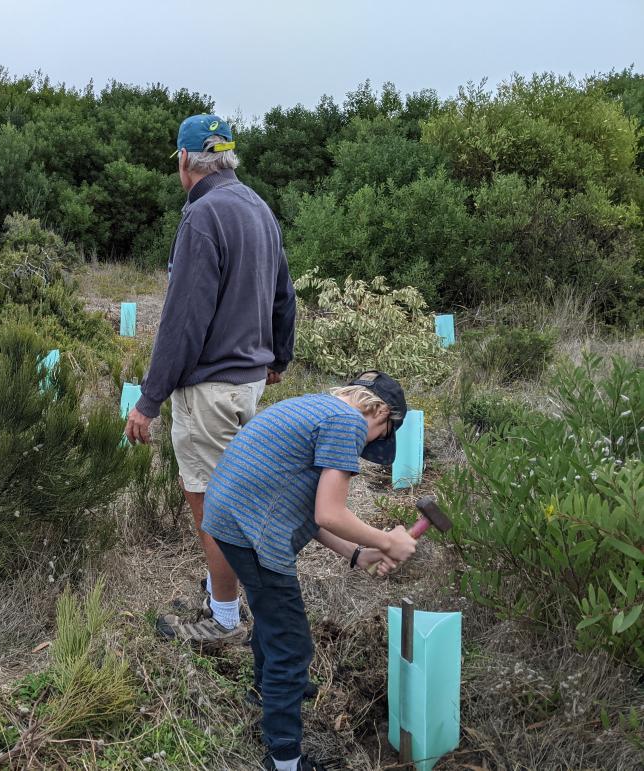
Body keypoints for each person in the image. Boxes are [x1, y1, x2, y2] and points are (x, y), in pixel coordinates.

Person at [124, 114, 296, 645]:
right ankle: (221, 594)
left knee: (216, 509)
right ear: (225, 157)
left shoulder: (203, 216)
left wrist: (148, 401)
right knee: (238, 500)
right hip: (248, 383)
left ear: (184, 160)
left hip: (209, 391)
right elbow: (284, 296)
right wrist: (278, 359)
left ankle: (223, 621)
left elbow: (182, 322)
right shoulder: (257, 207)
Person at [199, 371, 419, 771]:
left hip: (227, 517)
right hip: (251, 529)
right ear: (381, 412)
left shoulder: (313, 406)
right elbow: (330, 513)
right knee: (292, 642)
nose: (375, 443)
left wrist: (357, 553)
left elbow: (307, 510)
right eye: (383, 433)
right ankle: (284, 758)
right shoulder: (348, 422)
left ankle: (266, 691)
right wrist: (388, 541)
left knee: (272, 614)